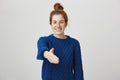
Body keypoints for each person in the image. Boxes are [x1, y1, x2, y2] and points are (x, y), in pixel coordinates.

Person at [37, 3, 84, 80]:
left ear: (66, 23)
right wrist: (47, 54)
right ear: (51, 24)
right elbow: (42, 48)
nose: (58, 26)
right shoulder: (44, 40)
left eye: (61, 22)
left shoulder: (74, 44)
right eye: (54, 22)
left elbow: (78, 71)